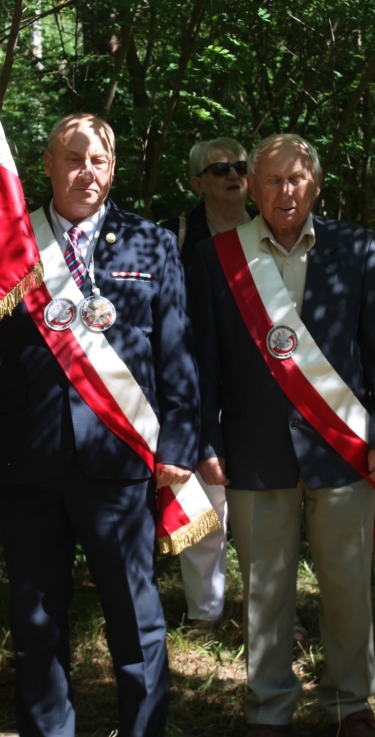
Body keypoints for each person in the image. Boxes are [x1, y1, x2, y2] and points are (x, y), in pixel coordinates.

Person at [0, 113, 200, 737]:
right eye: (73, 158)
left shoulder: (150, 242)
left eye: (98, 160)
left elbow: (177, 351)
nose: (86, 172)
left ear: (113, 169)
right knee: (35, 622)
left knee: (136, 620)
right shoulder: (7, 241)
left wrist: (179, 443)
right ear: (48, 165)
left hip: (119, 461)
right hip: (29, 461)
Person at [190, 133, 375, 737]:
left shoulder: (357, 248)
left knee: (348, 588)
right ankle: (269, 709)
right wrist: (206, 440)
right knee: (265, 594)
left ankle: (351, 704)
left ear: (315, 183)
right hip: (254, 450)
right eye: (272, 180)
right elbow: (202, 363)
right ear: (252, 188)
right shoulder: (217, 257)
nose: (285, 191)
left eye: (296, 178)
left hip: (344, 449)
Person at [162, 137, 254, 632]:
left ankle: (272, 611)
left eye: (240, 166)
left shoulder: (270, 231)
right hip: (195, 386)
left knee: (266, 512)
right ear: (198, 183)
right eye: (220, 169)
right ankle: (205, 613)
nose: (234, 175)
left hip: (260, 392)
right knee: (205, 502)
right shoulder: (174, 238)